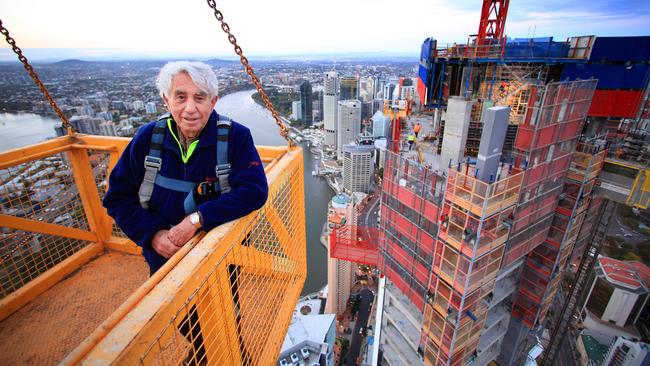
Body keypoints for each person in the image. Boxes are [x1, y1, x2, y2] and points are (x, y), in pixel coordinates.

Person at [103, 61, 268, 364]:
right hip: (164, 256)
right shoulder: (147, 139)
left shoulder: (235, 138)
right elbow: (117, 197)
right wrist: (152, 235)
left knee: (225, 314)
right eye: (181, 97)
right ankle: (212, 352)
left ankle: (228, 354)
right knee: (180, 316)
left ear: (213, 102)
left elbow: (255, 191)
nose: (190, 108)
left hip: (218, 257)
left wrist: (198, 219)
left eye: (200, 97)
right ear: (166, 100)